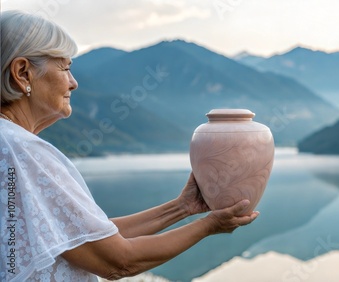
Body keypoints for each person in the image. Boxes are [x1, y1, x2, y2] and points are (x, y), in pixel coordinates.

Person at [0, 10, 259, 282]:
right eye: (64, 67)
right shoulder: (23, 152)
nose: (74, 83)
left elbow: (93, 236)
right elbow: (118, 261)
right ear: (23, 73)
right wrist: (210, 225)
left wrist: (183, 207)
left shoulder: (9, 144)